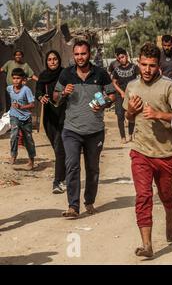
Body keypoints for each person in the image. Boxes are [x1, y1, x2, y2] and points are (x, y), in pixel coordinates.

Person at [123, 43, 172, 258]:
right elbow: (128, 117)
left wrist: (159, 114)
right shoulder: (132, 86)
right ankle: (147, 244)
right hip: (140, 151)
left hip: (166, 153)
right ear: (137, 62)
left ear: (158, 65)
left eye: (151, 65)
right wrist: (130, 112)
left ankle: (170, 214)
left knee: (165, 194)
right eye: (143, 65)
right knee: (143, 196)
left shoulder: (170, 86)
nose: (147, 70)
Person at [54, 40, 116, 218]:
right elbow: (55, 97)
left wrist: (103, 103)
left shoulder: (100, 73)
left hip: (95, 131)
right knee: (72, 166)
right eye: (77, 54)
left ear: (89, 54)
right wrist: (63, 93)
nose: (80, 57)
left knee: (92, 168)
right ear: (73, 55)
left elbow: (112, 95)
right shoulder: (66, 74)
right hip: (71, 130)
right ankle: (73, 206)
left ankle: (89, 201)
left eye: (83, 54)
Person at [36, 51, 67, 194]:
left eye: (55, 59)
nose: (52, 62)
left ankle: (57, 181)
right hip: (49, 118)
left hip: (64, 116)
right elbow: (38, 91)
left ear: (59, 60)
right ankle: (65, 176)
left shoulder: (66, 74)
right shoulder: (43, 76)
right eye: (49, 59)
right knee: (58, 150)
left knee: (60, 148)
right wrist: (41, 97)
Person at [7, 68, 36, 170]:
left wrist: (21, 107)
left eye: (18, 78)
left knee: (28, 139)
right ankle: (13, 155)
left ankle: (31, 160)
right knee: (14, 134)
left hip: (26, 118)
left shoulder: (26, 90)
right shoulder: (10, 88)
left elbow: (32, 105)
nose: (15, 80)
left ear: (22, 79)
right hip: (14, 116)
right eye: (14, 78)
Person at [111, 48, 139, 144]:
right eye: (119, 58)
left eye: (122, 57)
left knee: (131, 114)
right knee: (120, 116)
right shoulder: (117, 70)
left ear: (126, 56)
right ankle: (123, 137)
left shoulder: (134, 67)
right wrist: (121, 92)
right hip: (120, 95)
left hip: (132, 95)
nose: (121, 59)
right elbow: (114, 82)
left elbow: (139, 79)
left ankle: (131, 134)